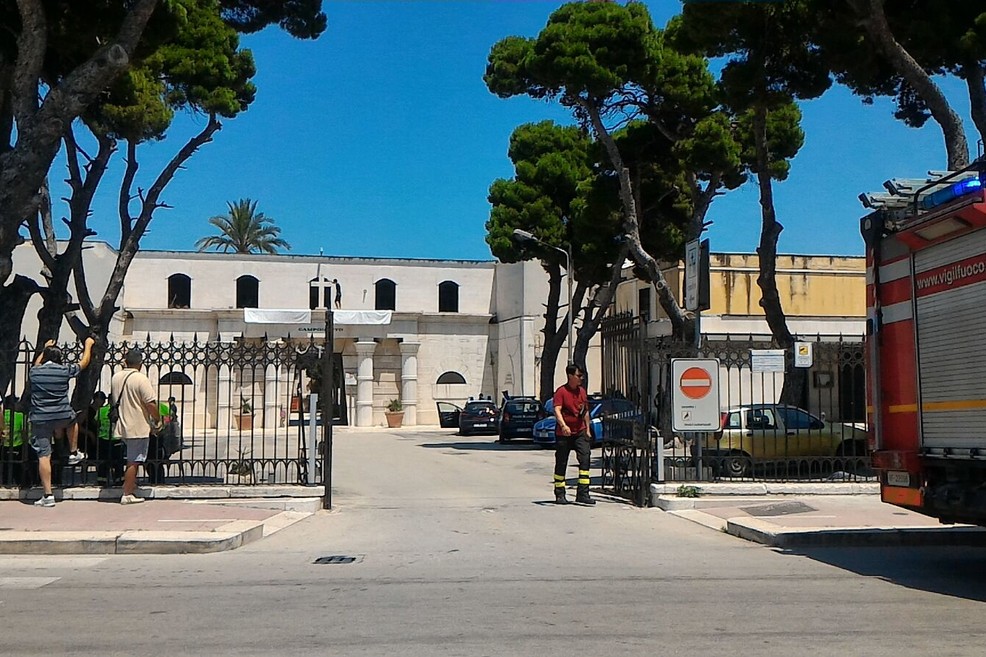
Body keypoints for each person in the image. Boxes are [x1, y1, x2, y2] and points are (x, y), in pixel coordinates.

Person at [27, 337, 95, 507]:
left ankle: (48, 495)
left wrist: (44, 349)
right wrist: (88, 345)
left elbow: (36, 364)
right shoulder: (64, 371)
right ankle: (73, 452)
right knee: (73, 421)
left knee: (44, 455)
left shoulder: (35, 372)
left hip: (40, 417)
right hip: (61, 414)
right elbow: (83, 363)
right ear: (59, 359)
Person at [111, 348, 161, 505]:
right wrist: (157, 419)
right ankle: (127, 493)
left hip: (122, 423)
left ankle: (130, 485)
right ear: (140, 363)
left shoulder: (116, 377)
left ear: (125, 361)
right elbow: (150, 403)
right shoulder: (140, 379)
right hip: (137, 425)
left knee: (130, 458)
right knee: (134, 460)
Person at [552, 363, 594, 505]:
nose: (581, 378)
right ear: (570, 376)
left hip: (580, 430)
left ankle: (583, 493)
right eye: (578, 375)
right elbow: (557, 410)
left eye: (582, 376)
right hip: (564, 433)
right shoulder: (561, 392)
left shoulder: (582, 391)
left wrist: (587, 429)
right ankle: (560, 494)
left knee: (585, 458)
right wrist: (563, 425)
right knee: (562, 462)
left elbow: (585, 411)